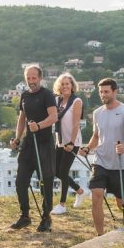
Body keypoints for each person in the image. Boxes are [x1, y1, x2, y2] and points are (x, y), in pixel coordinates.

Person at [79, 78, 124, 235]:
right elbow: (96, 136)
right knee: (96, 194)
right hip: (100, 162)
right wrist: (88, 148)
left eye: (106, 92)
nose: (103, 95)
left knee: (122, 205)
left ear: (115, 91)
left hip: (119, 165)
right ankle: (100, 236)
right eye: (101, 92)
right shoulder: (97, 113)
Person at [10, 64, 57, 232]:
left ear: (40, 78)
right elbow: (22, 119)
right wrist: (17, 138)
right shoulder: (24, 96)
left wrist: (39, 125)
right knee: (20, 181)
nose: (31, 81)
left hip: (44, 143)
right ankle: (25, 216)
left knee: (46, 182)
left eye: (34, 78)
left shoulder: (47, 95)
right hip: (29, 144)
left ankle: (46, 217)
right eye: (28, 78)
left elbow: (53, 117)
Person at [50, 72, 87, 215]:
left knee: (63, 171)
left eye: (67, 84)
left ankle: (62, 204)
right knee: (57, 171)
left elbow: (76, 123)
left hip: (72, 141)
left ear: (72, 86)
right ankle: (80, 191)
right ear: (59, 86)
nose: (65, 86)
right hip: (60, 140)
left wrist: (71, 142)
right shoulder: (57, 101)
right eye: (62, 84)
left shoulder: (76, 101)